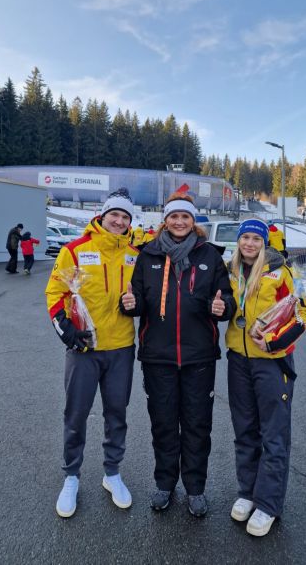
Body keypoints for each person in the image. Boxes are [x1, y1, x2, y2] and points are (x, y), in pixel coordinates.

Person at [120, 193, 236, 517]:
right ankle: (165, 483)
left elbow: (226, 296)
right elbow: (138, 299)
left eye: (186, 217)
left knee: (198, 426)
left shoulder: (210, 256)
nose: (180, 222)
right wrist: (129, 305)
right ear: (165, 220)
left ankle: (195, 488)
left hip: (199, 358)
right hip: (158, 358)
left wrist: (223, 306)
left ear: (193, 221)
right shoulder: (149, 255)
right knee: (164, 424)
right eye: (174, 217)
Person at [45, 188, 138, 518]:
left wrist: (135, 305)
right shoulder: (76, 249)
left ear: (130, 222)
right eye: (115, 214)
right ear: (102, 215)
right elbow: (55, 293)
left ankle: (112, 473)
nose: (119, 221)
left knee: (117, 414)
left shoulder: (135, 253)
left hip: (121, 349)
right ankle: (71, 476)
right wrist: (67, 332)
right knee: (76, 414)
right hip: (83, 349)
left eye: (126, 217)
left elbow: (144, 294)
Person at [225, 219, 306, 537]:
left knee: (273, 435)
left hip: (273, 364)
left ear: (264, 242)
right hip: (238, 361)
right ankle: (247, 493)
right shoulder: (231, 270)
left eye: (255, 238)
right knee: (245, 431)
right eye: (244, 237)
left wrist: (276, 342)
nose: (249, 243)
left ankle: (268, 504)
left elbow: (303, 313)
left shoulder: (281, 271)